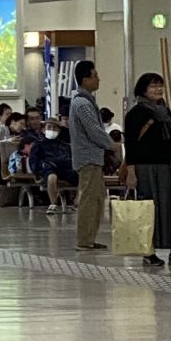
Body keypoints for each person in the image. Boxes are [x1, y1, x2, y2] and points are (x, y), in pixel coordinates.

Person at [123, 72, 171, 269]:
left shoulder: (165, 112)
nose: (158, 89)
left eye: (160, 85)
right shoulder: (135, 114)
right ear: (143, 90)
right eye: (153, 86)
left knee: (170, 209)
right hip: (144, 168)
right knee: (147, 211)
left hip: (164, 167)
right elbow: (131, 145)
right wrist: (131, 172)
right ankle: (148, 252)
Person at [67, 61, 110, 253]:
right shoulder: (82, 103)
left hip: (94, 158)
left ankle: (90, 238)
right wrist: (112, 145)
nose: (98, 79)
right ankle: (84, 240)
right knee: (88, 200)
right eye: (95, 76)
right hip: (88, 158)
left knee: (97, 199)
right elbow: (94, 130)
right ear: (85, 79)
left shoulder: (86, 101)